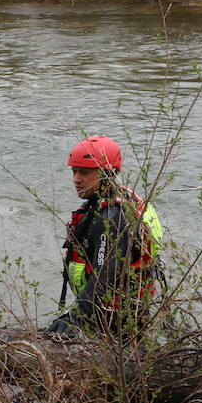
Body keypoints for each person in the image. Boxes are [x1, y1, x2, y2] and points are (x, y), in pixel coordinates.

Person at [43, 135, 163, 338]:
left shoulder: (112, 218)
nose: (76, 179)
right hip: (115, 310)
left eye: (84, 173)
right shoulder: (114, 199)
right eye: (74, 171)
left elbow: (107, 273)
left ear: (107, 174)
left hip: (114, 320)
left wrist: (76, 316)